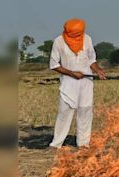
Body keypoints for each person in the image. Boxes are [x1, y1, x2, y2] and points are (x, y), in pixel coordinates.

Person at [49, 18, 106, 149]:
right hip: (69, 83)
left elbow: (92, 59)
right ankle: (56, 144)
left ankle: (83, 144)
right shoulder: (58, 42)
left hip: (86, 82)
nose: (78, 36)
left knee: (85, 111)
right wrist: (72, 73)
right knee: (65, 112)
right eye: (74, 34)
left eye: (80, 33)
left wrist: (98, 70)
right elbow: (54, 65)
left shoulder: (87, 39)